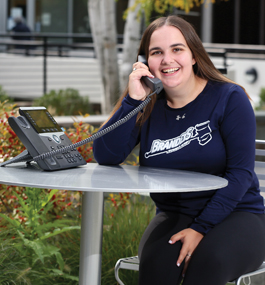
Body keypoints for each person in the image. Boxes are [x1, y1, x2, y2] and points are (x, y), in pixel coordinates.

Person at [93, 15, 265, 285]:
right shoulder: (148, 104)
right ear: (144, 61)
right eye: (156, 52)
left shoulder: (229, 98)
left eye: (177, 49)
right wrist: (132, 99)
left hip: (238, 213)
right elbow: (106, 155)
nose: (167, 60)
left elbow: (241, 174)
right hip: (174, 215)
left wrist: (200, 228)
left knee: (208, 264)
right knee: (156, 270)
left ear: (194, 55)